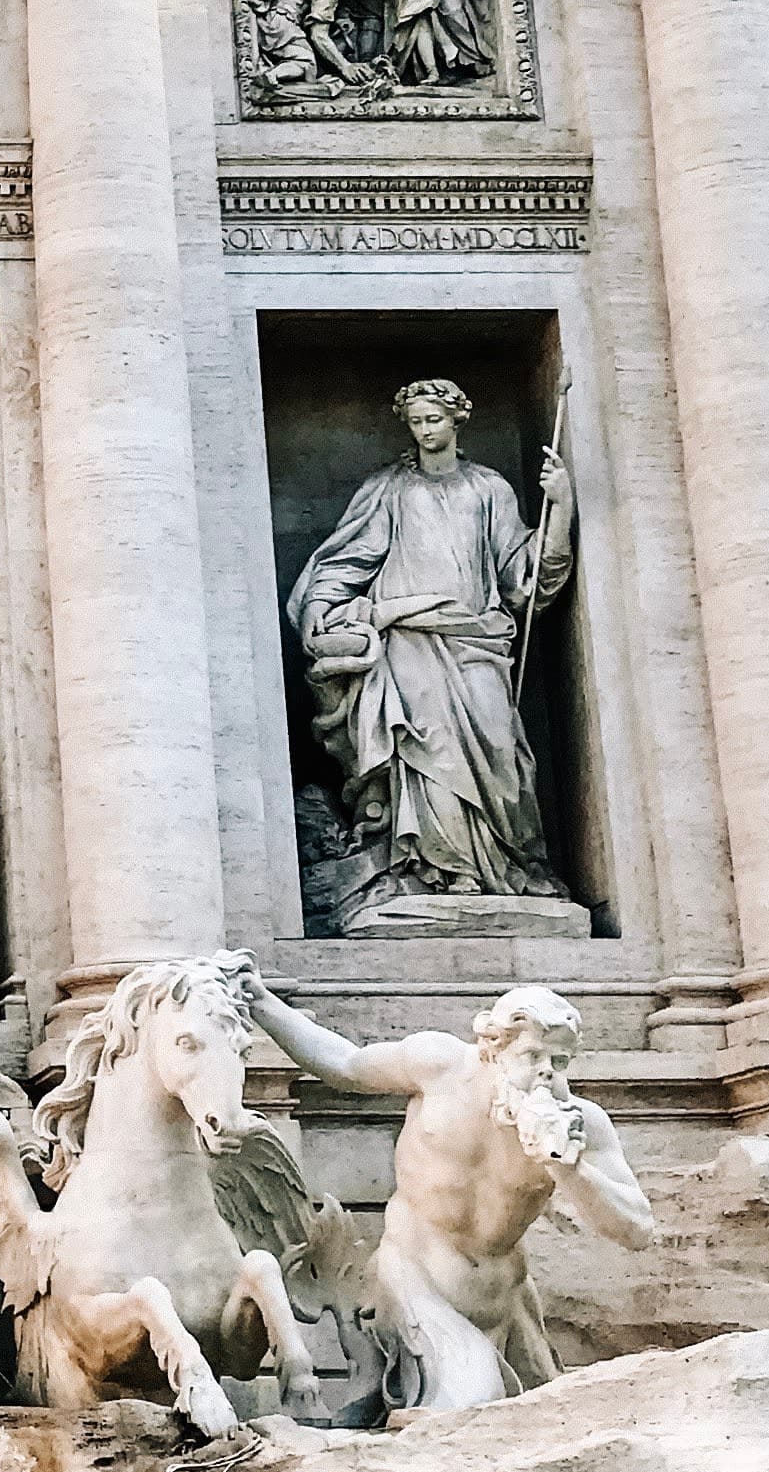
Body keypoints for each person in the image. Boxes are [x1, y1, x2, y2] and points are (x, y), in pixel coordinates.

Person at [241, 975, 655, 1408]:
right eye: (532, 1055)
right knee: (471, 1403)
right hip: (413, 1278)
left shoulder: (579, 1125)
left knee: (549, 1419)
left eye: (560, 1060)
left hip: (505, 1300)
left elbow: (636, 1230)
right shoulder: (438, 1066)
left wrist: (568, 1167)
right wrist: (263, 1003)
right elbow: (345, 1064)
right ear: (492, 1050)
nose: (546, 1071)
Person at [288, 377, 572, 902]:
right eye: (416, 422)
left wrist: (562, 511)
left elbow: (525, 579)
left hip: (476, 641)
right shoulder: (388, 489)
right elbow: (347, 560)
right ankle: (436, 871)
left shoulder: (490, 489)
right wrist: (322, 608)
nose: (424, 430)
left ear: (457, 420)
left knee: (500, 756)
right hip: (409, 642)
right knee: (426, 752)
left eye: (433, 420)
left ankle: (501, 868)